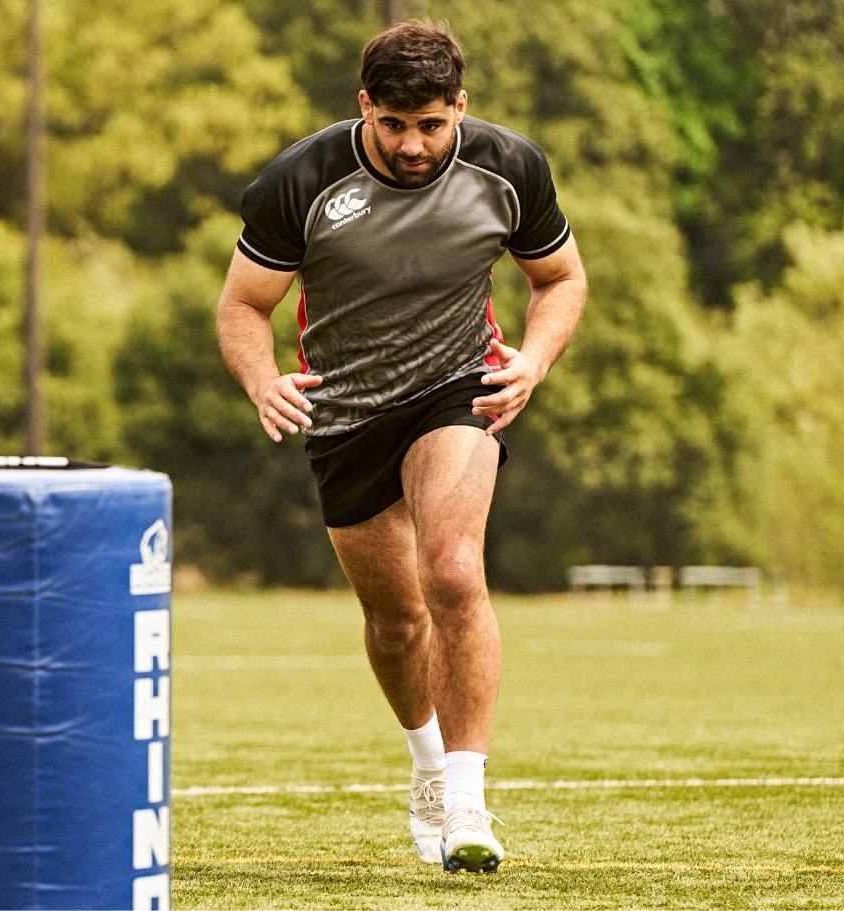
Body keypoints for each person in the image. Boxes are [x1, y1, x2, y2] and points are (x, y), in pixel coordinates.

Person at [215, 19, 588, 873]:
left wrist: (531, 360)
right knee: (395, 620)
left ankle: (466, 800)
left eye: (431, 124)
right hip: (345, 415)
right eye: (393, 124)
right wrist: (261, 377)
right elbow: (243, 307)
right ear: (364, 108)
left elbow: (560, 278)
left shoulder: (510, 167)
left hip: (458, 389)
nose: (413, 145)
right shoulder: (300, 179)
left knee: (453, 571)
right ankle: (426, 765)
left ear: (462, 106)